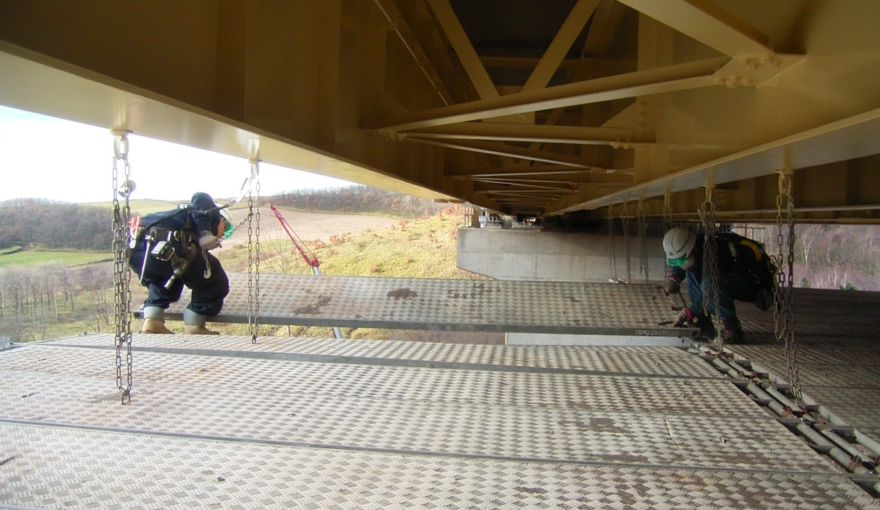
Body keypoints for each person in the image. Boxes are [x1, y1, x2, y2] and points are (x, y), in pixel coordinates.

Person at [128, 192, 233, 334]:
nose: (222, 235)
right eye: (225, 229)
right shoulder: (210, 214)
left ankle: (152, 321)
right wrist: (206, 232)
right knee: (214, 280)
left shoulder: (174, 217)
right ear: (221, 219)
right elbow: (200, 196)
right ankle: (195, 326)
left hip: (139, 250)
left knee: (164, 280)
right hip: (170, 243)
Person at [661, 227, 775, 343]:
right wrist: (674, 278)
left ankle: (733, 331)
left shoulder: (717, 255)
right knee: (692, 271)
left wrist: (687, 313)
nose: (681, 263)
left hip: (751, 284)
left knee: (709, 285)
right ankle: (704, 322)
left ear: (693, 249)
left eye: (682, 260)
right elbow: (683, 260)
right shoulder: (697, 247)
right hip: (728, 278)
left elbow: (709, 293)